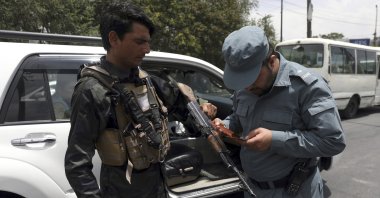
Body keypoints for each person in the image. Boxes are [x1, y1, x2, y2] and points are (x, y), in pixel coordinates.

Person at [64, 2, 216, 198]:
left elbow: (181, 103)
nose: (147, 49)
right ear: (113, 38)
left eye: (148, 42)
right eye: (139, 42)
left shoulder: (147, 80)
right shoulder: (92, 91)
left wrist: (202, 107)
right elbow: (77, 165)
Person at [213, 26, 346, 198]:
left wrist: (274, 140)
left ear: (271, 60)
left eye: (251, 77)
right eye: (242, 79)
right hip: (252, 189)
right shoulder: (245, 88)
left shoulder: (308, 87)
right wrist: (223, 126)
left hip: (294, 191)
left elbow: (333, 141)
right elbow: (239, 119)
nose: (247, 86)